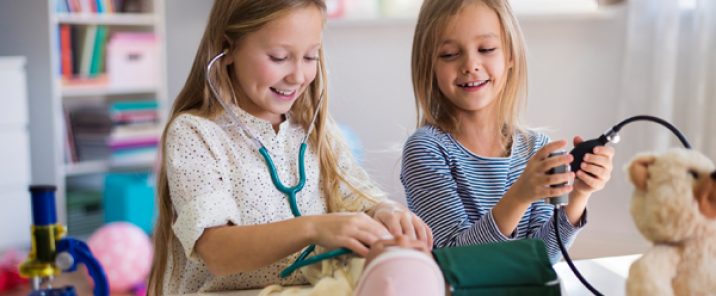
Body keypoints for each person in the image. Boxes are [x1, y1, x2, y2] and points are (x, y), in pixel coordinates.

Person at [147, 0, 439, 295]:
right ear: (228, 48)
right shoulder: (196, 134)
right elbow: (216, 251)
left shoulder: (316, 131)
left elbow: (357, 199)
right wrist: (313, 228)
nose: (298, 76)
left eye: (311, 57)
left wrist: (385, 211)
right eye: (279, 57)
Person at [401, 0, 615, 263]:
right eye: (449, 54)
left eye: (486, 49)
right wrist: (520, 195)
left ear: (511, 55)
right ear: (428, 64)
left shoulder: (535, 149)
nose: (470, 65)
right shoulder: (426, 150)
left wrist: (579, 194)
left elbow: (541, 258)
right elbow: (455, 260)